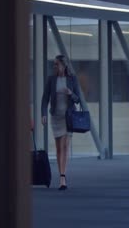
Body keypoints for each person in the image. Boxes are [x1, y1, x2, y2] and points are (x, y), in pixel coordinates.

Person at [41, 55, 81, 190]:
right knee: (58, 148)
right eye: (54, 65)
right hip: (56, 117)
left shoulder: (72, 79)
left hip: (68, 117)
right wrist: (44, 114)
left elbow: (78, 99)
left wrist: (70, 93)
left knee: (65, 146)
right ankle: (61, 175)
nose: (55, 67)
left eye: (56, 64)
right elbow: (45, 98)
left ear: (63, 65)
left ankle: (63, 177)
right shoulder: (51, 80)